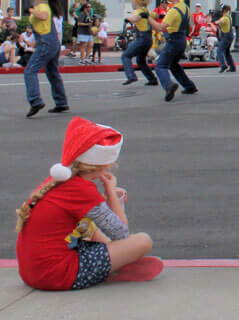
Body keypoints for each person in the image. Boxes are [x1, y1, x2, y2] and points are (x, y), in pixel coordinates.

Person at [15, 116, 156, 290]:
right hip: (59, 275)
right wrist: (111, 192)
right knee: (143, 241)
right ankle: (114, 265)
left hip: (34, 273)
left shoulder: (60, 181)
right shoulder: (82, 189)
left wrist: (106, 202)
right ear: (101, 166)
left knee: (88, 226)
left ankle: (114, 262)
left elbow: (85, 224)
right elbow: (121, 233)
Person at [24, 0, 69, 117]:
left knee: (30, 71)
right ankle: (61, 102)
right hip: (51, 43)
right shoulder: (43, 6)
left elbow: (43, 16)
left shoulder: (43, 6)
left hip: (46, 43)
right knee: (53, 73)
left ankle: (35, 100)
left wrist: (32, 11)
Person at [148, 0, 196, 102]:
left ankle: (168, 85)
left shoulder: (173, 11)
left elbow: (160, 27)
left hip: (173, 41)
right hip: (182, 40)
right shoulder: (184, 7)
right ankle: (189, 86)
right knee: (174, 65)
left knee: (160, 66)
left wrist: (148, 18)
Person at [121, 0, 158, 86]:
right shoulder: (146, 10)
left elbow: (135, 19)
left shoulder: (138, 11)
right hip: (149, 40)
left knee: (125, 56)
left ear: (137, 3)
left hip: (141, 39)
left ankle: (131, 76)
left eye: (133, 2)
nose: (132, 4)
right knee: (140, 61)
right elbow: (156, 15)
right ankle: (152, 79)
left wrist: (127, 19)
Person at [215, 4, 236, 73]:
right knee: (226, 52)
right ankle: (232, 67)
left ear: (224, 10)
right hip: (230, 35)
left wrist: (214, 21)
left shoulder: (225, 17)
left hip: (226, 36)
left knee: (219, 50)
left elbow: (220, 22)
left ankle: (223, 65)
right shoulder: (229, 16)